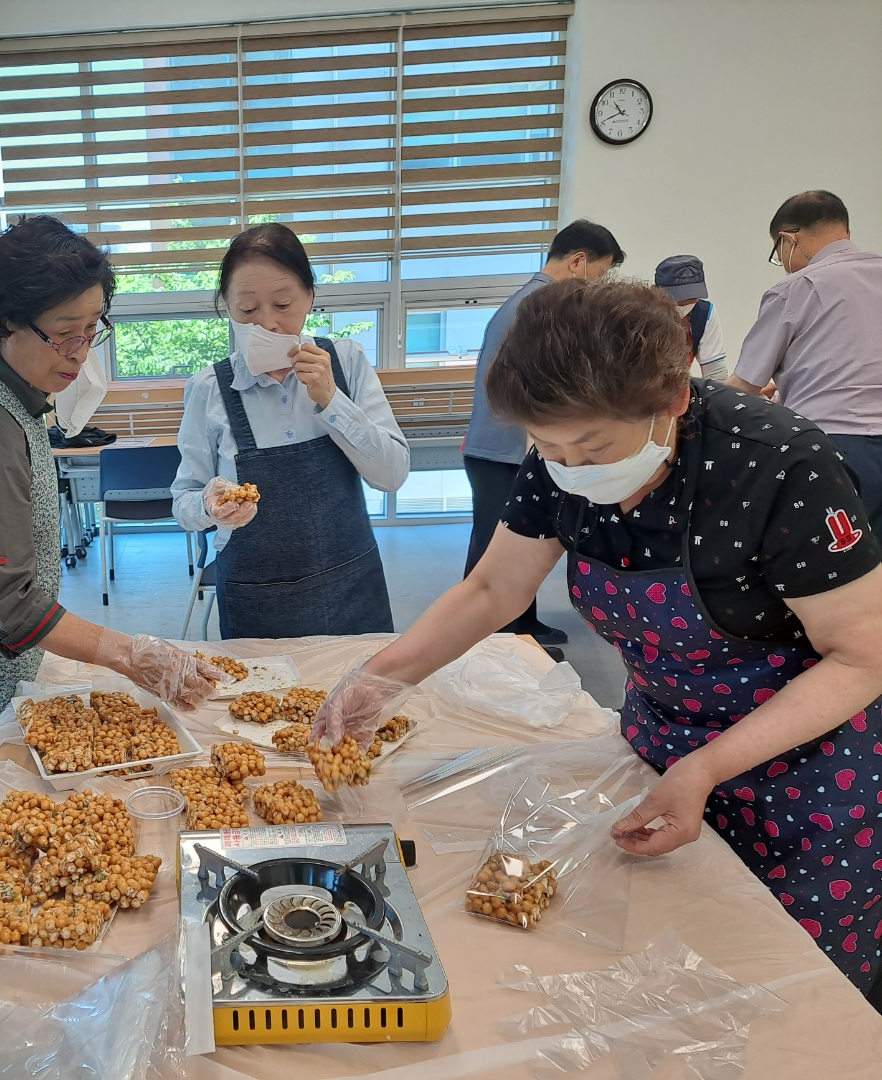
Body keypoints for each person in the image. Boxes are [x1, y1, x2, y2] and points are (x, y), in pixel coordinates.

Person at [313, 280, 882, 995]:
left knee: (784, 984)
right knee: (660, 966)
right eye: (547, 448)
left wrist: (708, 767)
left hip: (807, 772)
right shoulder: (560, 457)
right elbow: (494, 588)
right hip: (661, 742)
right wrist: (381, 677)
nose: (571, 469)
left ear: (672, 400)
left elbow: (862, 655)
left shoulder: (778, 465)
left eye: (594, 446)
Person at [0, 216, 224, 867]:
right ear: (4, 321)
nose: (80, 353)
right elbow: (14, 606)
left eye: (93, 330)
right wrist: (130, 654)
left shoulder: (10, 382)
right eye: (64, 334)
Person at [171, 223, 410, 638]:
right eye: (248, 310)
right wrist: (209, 507)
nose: (268, 324)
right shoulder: (209, 389)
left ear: (310, 298)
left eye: (283, 304)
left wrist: (332, 399)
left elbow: (392, 476)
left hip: (352, 586)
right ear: (228, 309)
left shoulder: (347, 363)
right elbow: (182, 503)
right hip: (255, 598)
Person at [462, 220, 625, 649]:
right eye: (599, 274)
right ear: (577, 262)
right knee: (497, 547)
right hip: (504, 450)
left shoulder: (529, 301)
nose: (597, 285)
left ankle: (521, 624)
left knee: (526, 534)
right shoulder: (542, 306)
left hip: (507, 447)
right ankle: (493, 641)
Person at [730, 190, 882, 529]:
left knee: (829, 556)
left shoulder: (796, 288)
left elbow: (742, 388)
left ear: (788, 240)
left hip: (834, 448)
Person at [654, 255, 728, 380]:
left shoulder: (704, 314)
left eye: (691, 298)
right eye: (678, 299)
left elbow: (715, 372)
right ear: (656, 291)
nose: (684, 304)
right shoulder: (639, 315)